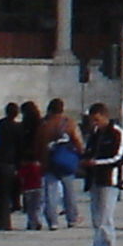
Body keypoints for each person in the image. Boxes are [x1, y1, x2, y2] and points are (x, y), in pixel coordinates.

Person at [81, 102, 123, 246]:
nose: (94, 123)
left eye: (97, 120)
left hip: (109, 180)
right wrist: (83, 160)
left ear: (105, 117)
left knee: (106, 217)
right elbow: (88, 151)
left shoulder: (116, 133)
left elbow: (119, 157)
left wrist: (97, 163)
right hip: (94, 180)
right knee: (97, 219)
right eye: (92, 120)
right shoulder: (95, 134)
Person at [37, 98, 85, 230]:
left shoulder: (44, 125)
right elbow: (77, 141)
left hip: (49, 161)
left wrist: (42, 161)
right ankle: (72, 218)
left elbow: (39, 145)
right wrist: (80, 155)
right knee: (69, 191)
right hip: (66, 161)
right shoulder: (69, 123)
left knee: (50, 192)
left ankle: (52, 221)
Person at [0, 102, 24, 230]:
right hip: (8, 162)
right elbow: (19, 147)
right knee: (6, 193)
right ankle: (4, 222)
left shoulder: (0, 124)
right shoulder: (17, 127)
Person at [16, 100, 46, 230]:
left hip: (25, 160)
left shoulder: (22, 126)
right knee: (38, 192)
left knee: (28, 192)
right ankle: (37, 218)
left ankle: (31, 219)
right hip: (38, 160)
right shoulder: (41, 125)